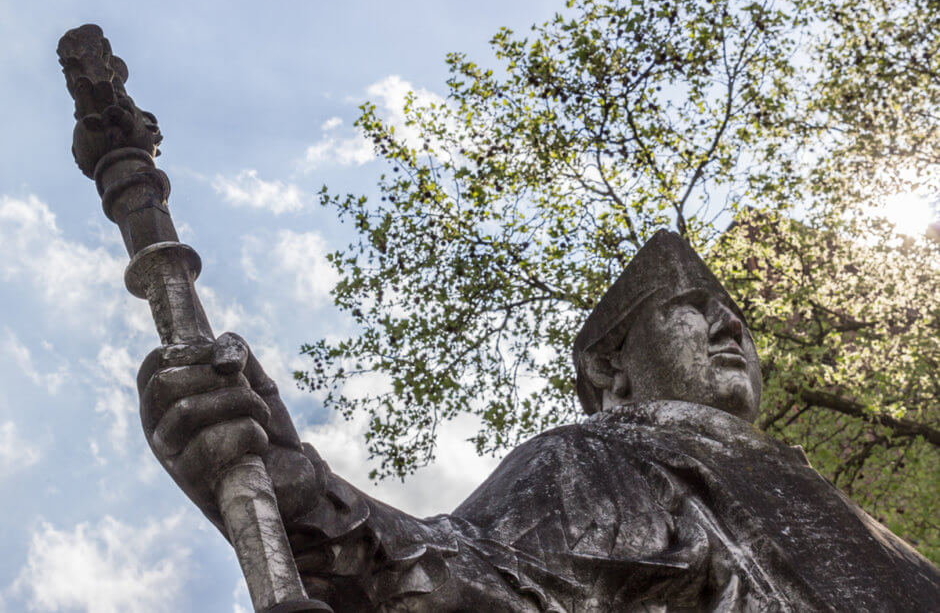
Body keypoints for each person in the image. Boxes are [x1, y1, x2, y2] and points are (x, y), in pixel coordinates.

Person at [138, 230, 939, 611]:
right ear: (610, 367)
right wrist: (301, 491)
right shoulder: (601, 461)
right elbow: (472, 579)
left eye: (737, 318)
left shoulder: (883, 542)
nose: (731, 330)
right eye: (690, 312)